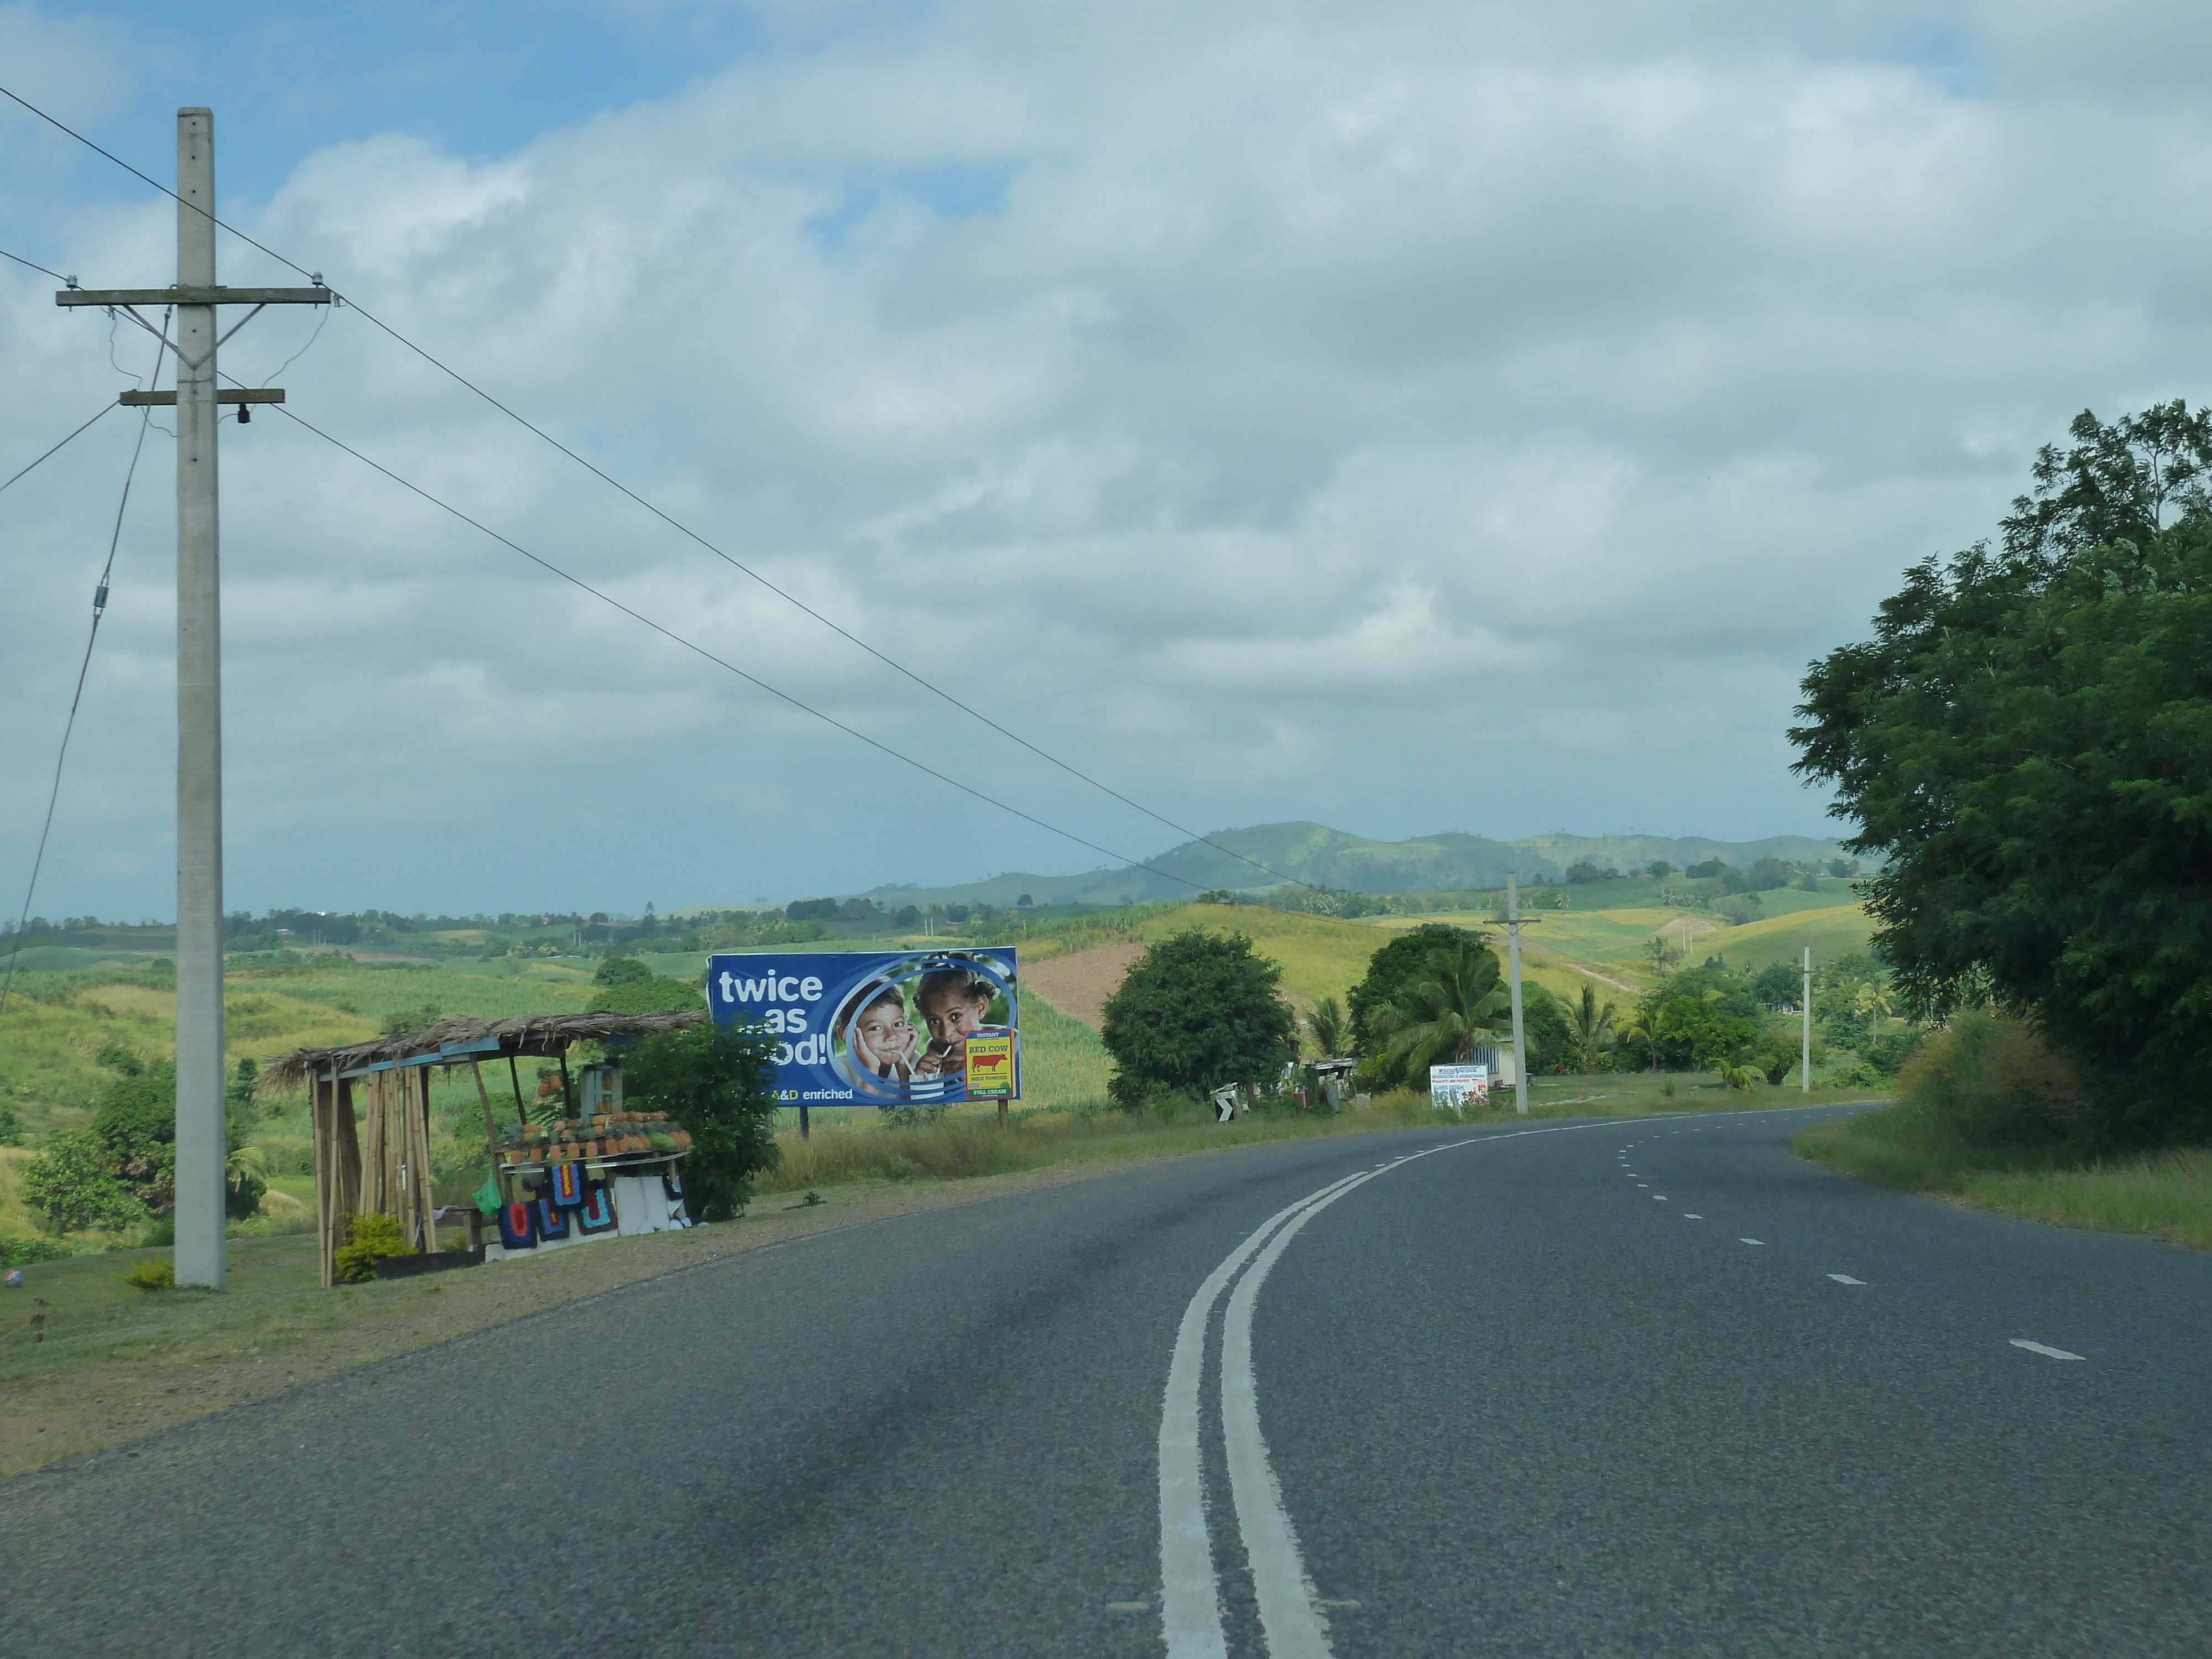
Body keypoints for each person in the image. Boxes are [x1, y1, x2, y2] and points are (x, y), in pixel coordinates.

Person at [911, 966, 997, 1079]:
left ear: (981, 1007)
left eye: (956, 1016)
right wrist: (922, 1080)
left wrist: (977, 1077)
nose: (946, 1035)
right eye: (935, 1021)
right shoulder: (936, 1050)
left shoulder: (1009, 1042)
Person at [845, 984, 918, 1082]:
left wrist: (903, 1068)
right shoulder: (839, 1069)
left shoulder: (914, 1061)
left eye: (898, 1024)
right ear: (847, 1034)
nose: (891, 1036)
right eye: (876, 1028)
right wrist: (872, 1068)